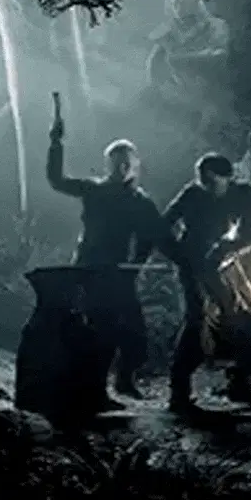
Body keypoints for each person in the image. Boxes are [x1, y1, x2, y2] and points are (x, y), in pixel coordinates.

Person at [46, 93, 166, 411]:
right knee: (101, 329)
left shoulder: (140, 202)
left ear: (135, 166)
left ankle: (124, 379)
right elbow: (56, 180)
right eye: (117, 163)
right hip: (91, 269)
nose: (122, 168)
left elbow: (153, 235)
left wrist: (138, 265)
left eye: (127, 163)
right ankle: (96, 392)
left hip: (120, 273)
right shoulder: (94, 190)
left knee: (135, 334)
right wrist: (56, 143)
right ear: (109, 165)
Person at [162, 152, 251, 414]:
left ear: (228, 178)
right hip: (192, 266)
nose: (206, 186)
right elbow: (163, 225)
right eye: (202, 181)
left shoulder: (244, 195)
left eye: (212, 181)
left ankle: (240, 381)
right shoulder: (192, 194)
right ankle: (179, 390)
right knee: (197, 321)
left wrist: (225, 248)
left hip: (223, 265)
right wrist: (179, 256)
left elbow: (248, 235)